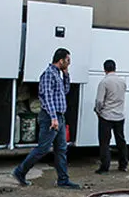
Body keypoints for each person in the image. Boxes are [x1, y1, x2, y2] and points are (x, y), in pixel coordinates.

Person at [13, 48, 81, 189]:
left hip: (59, 117)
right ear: (60, 60)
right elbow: (47, 98)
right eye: (67, 60)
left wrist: (66, 75)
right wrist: (53, 118)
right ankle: (20, 171)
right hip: (52, 117)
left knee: (61, 149)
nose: (69, 63)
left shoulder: (58, 74)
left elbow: (65, 91)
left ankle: (63, 179)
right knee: (43, 148)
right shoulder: (49, 74)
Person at [94, 58, 129, 173]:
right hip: (119, 115)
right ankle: (123, 165)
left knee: (105, 142)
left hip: (106, 116)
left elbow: (99, 101)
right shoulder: (122, 81)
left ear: (104, 69)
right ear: (115, 68)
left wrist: (98, 111)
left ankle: (105, 167)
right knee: (121, 141)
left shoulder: (104, 82)